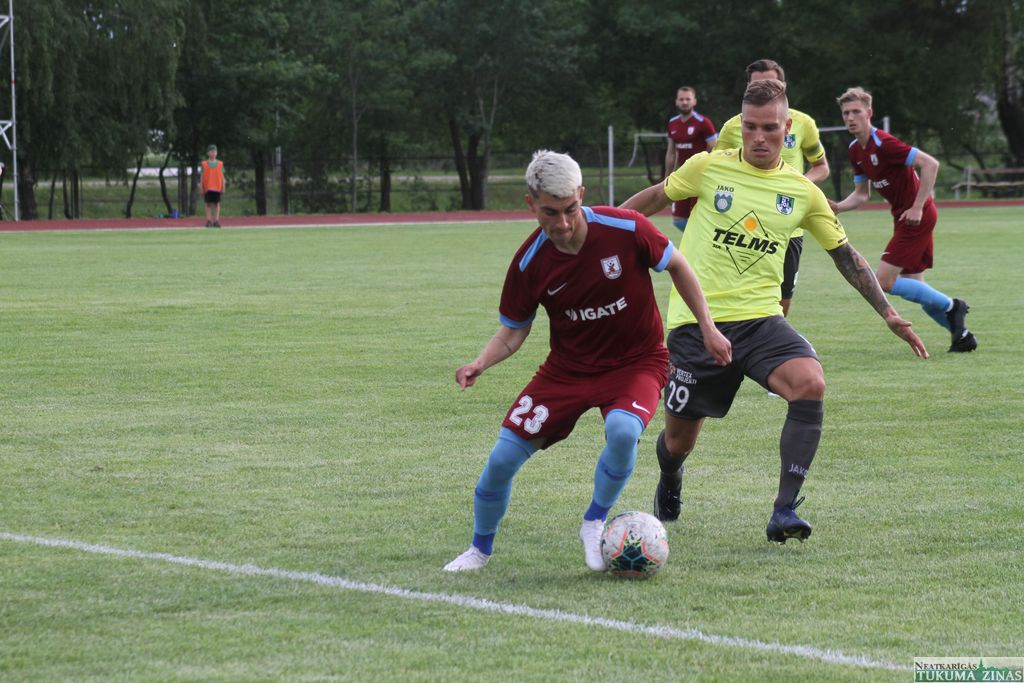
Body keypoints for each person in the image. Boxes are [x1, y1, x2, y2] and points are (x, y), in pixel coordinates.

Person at [620, 79, 928, 544]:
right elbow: (656, 197)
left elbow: (846, 255)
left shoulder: (802, 192)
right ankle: (670, 475)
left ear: (788, 130)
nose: (758, 137)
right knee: (678, 441)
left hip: (762, 321)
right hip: (698, 323)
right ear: (740, 126)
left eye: (769, 128)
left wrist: (886, 312)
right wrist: (605, 227)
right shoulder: (707, 166)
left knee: (810, 383)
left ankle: (784, 509)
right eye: (750, 127)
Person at [443, 150, 732, 572]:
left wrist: (708, 327)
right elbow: (512, 331)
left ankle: (595, 522)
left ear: (581, 194)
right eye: (550, 213)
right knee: (501, 461)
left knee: (622, 430)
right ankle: (479, 550)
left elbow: (679, 266)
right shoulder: (529, 263)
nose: (562, 223)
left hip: (637, 362)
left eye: (570, 209)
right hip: (568, 371)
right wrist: (480, 363)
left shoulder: (626, 227)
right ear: (530, 204)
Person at [830, 87, 977, 353]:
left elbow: (930, 164)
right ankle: (962, 336)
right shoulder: (855, 150)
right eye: (846, 113)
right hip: (903, 218)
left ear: (869, 113)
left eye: (856, 112)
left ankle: (953, 306)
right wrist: (838, 207)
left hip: (918, 216)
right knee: (917, 286)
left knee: (883, 281)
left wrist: (918, 206)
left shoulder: (883, 143)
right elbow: (862, 194)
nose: (850, 118)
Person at [713, 59, 829, 317]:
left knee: (781, 303)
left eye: (772, 84)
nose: (764, 90)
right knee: (734, 297)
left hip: (787, 225)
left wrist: (795, 189)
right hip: (743, 225)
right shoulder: (732, 127)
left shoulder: (802, 123)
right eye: (756, 85)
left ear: (784, 86)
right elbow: (715, 170)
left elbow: (821, 166)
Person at [664, 86, 718, 232]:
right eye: (681, 99)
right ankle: (699, 240)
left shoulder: (703, 122)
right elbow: (671, 153)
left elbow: (715, 149)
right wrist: (667, 177)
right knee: (678, 220)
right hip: (682, 177)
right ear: (676, 102)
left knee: (698, 218)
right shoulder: (672, 123)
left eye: (688, 99)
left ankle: (701, 242)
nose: (684, 102)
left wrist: (707, 170)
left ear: (694, 101)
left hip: (701, 178)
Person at [200, 144, 225, 228]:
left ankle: (216, 221)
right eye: (211, 152)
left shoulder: (220, 164)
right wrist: (201, 187)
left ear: (217, 153)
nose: (213, 153)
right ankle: (209, 221)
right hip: (208, 187)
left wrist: (223, 187)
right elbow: (202, 177)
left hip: (217, 187)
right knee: (208, 204)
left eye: (215, 152)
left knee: (217, 204)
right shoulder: (204, 164)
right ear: (208, 153)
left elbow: (222, 177)